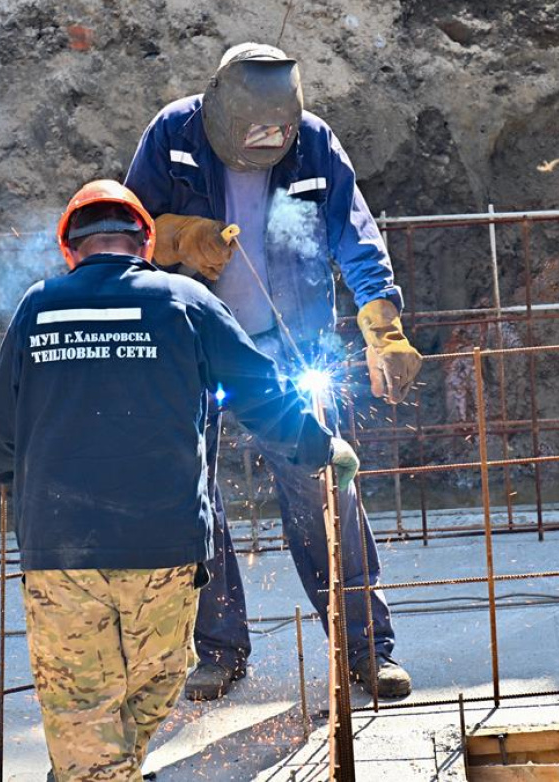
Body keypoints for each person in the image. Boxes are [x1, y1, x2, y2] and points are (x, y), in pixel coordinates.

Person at [0, 179, 359, 782]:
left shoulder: (38, 305)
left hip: (61, 550)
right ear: (146, 242)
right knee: (152, 686)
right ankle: (103, 767)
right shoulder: (184, 299)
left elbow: (0, 429)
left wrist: (16, 481)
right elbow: (261, 392)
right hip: (165, 548)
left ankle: (97, 767)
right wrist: (321, 446)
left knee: (85, 705)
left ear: (69, 250)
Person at [125, 43, 422, 701]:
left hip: (289, 355)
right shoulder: (172, 134)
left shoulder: (313, 144)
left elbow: (356, 238)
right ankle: (218, 653)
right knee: (189, 500)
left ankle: (365, 651)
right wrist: (177, 236)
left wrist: (385, 330)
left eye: (276, 133)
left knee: (323, 485)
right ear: (218, 111)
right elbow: (128, 230)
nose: (267, 144)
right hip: (194, 350)